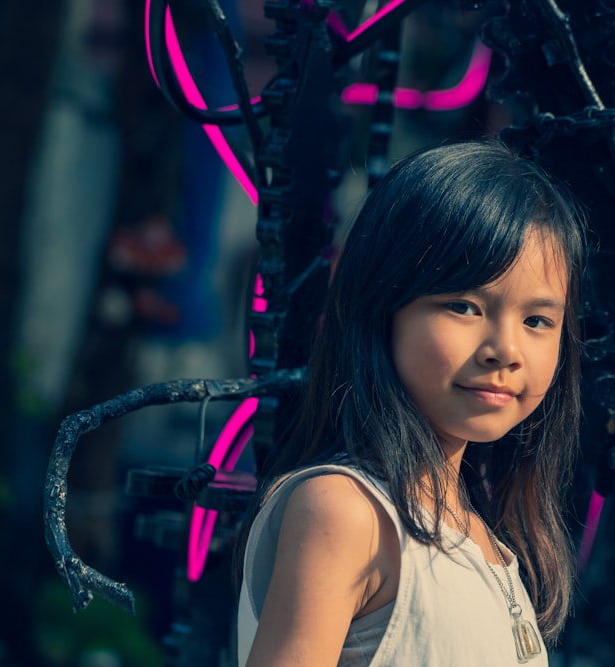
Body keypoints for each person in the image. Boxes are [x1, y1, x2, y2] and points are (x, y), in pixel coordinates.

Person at [235, 139, 588, 666]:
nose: (506, 351)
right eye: (464, 306)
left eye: (537, 320)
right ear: (383, 309)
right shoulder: (349, 510)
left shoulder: (480, 533)